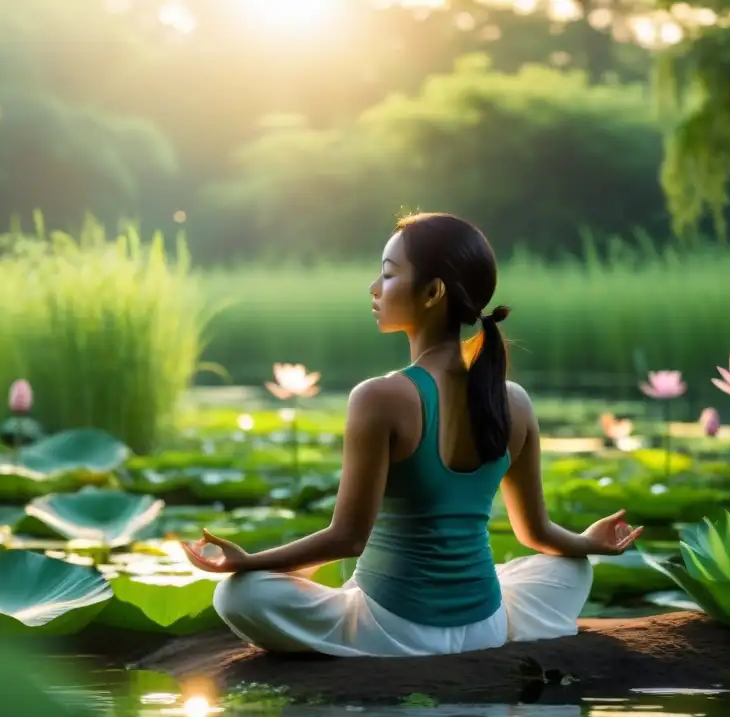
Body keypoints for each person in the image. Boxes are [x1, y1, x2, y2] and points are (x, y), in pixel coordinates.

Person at [181, 212, 643, 657]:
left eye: (387, 274)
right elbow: (536, 532)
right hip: (485, 626)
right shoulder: (515, 401)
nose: (374, 288)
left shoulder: (378, 397)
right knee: (570, 569)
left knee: (237, 596)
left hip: (394, 630)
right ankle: (479, 611)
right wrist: (589, 543)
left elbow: (347, 538)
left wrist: (246, 563)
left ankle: (357, 630)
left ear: (433, 292)